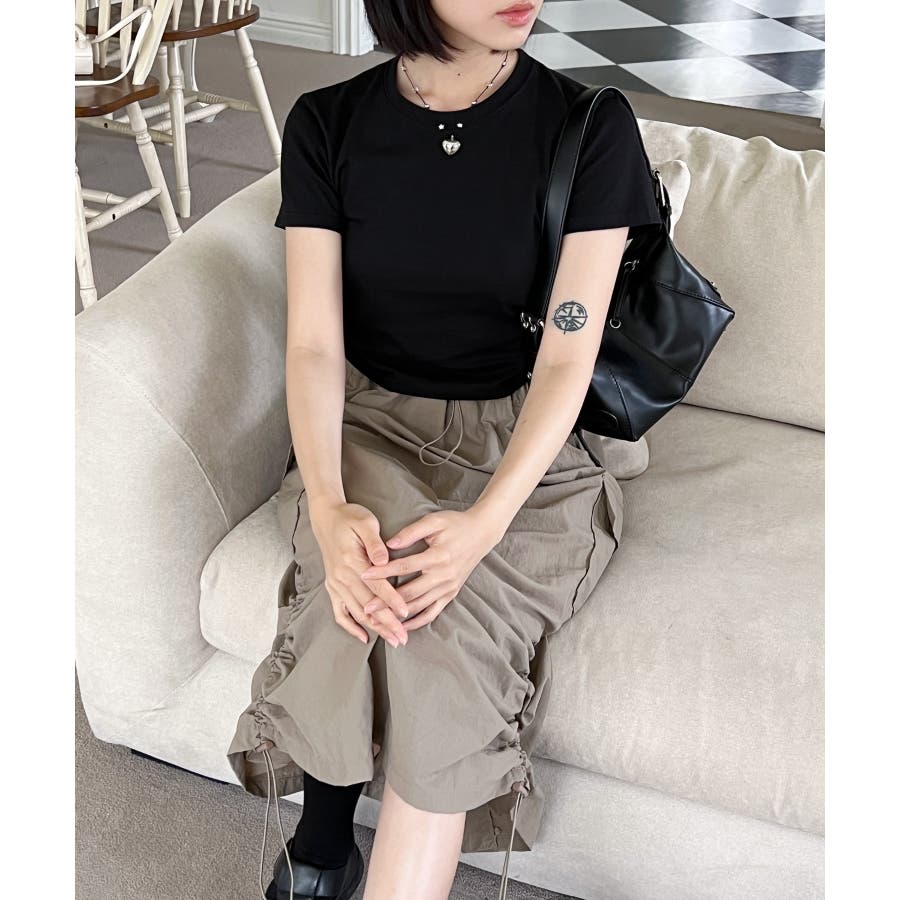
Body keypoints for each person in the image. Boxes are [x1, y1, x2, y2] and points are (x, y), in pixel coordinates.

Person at [226, 2, 663, 898]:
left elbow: (567, 358)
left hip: (527, 439)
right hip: (375, 422)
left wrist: (484, 526)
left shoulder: (590, 127)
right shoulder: (328, 124)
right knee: (361, 583)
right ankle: (323, 844)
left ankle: (324, 858)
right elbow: (314, 346)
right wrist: (326, 503)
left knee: (441, 623)